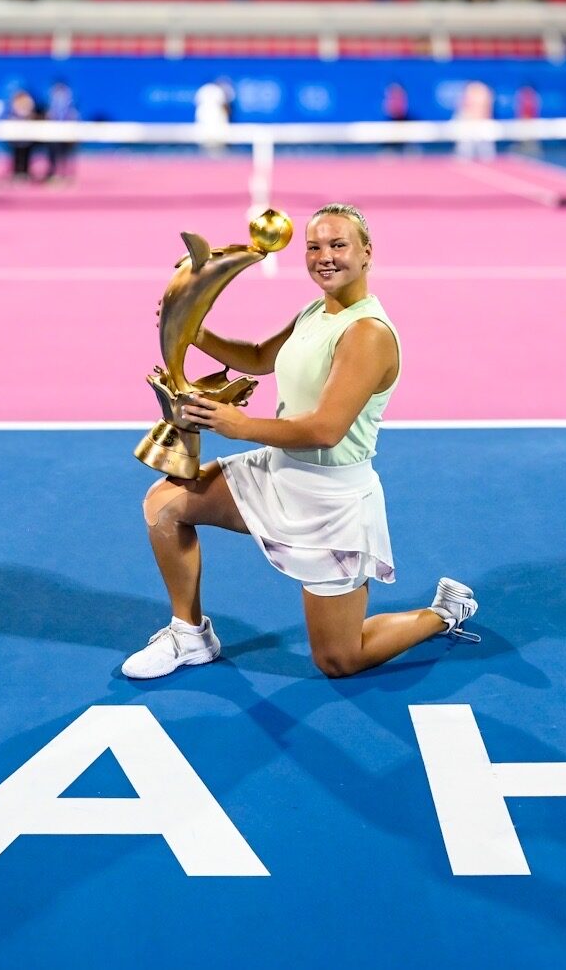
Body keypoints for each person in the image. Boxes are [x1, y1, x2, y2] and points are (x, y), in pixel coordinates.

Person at [123, 203, 476, 681]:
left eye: (338, 245)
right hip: (279, 471)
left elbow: (325, 429)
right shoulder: (316, 311)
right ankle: (190, 634)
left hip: (331, 502)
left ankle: (442, 613)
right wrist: (196, 333)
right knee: (164, 505)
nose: (324, 256)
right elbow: (258, 357)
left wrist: (239, 425)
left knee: (339, 659)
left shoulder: (367, 333)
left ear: (367, 253)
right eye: (314, 246)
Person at [45, 80, 78, 181]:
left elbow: (74, 119)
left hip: (67, 136)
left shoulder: (71, 108)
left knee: (66, 154)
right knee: (53, 152)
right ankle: (54, 173)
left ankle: (66, 174)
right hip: (53, 135)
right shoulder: (50, 107)